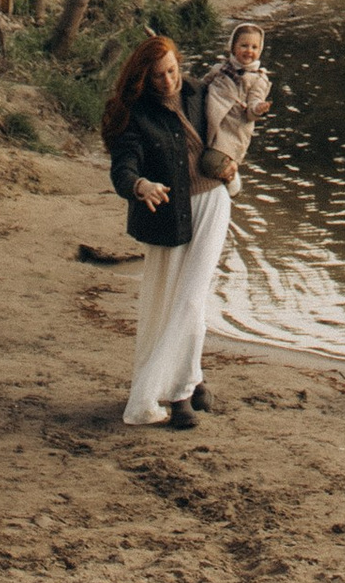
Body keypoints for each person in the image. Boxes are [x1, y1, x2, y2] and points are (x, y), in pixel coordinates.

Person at [102, 33, 229, 431]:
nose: (168, 81)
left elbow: (235, 114)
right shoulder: (135, 114)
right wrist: (140, 186)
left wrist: (232, 163)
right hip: (168, 215)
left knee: (190, 299)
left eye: (172, 71)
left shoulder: (197, 92)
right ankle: (192, 381)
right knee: (168, 303)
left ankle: (180, 394)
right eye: (158, 76)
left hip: (212, 203)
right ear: (144, 77)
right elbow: (123, 167)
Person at [182, 23, 274, 416]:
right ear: (233, 46)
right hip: (212, 121)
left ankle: (230, 178)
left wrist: (256, 110)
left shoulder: (258, 79)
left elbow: (253, 105)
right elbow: (202, 87)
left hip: (233, 131)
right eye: (243, 46)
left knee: (215, 161)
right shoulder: (220, 71)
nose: (249, 52)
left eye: (254, 47)